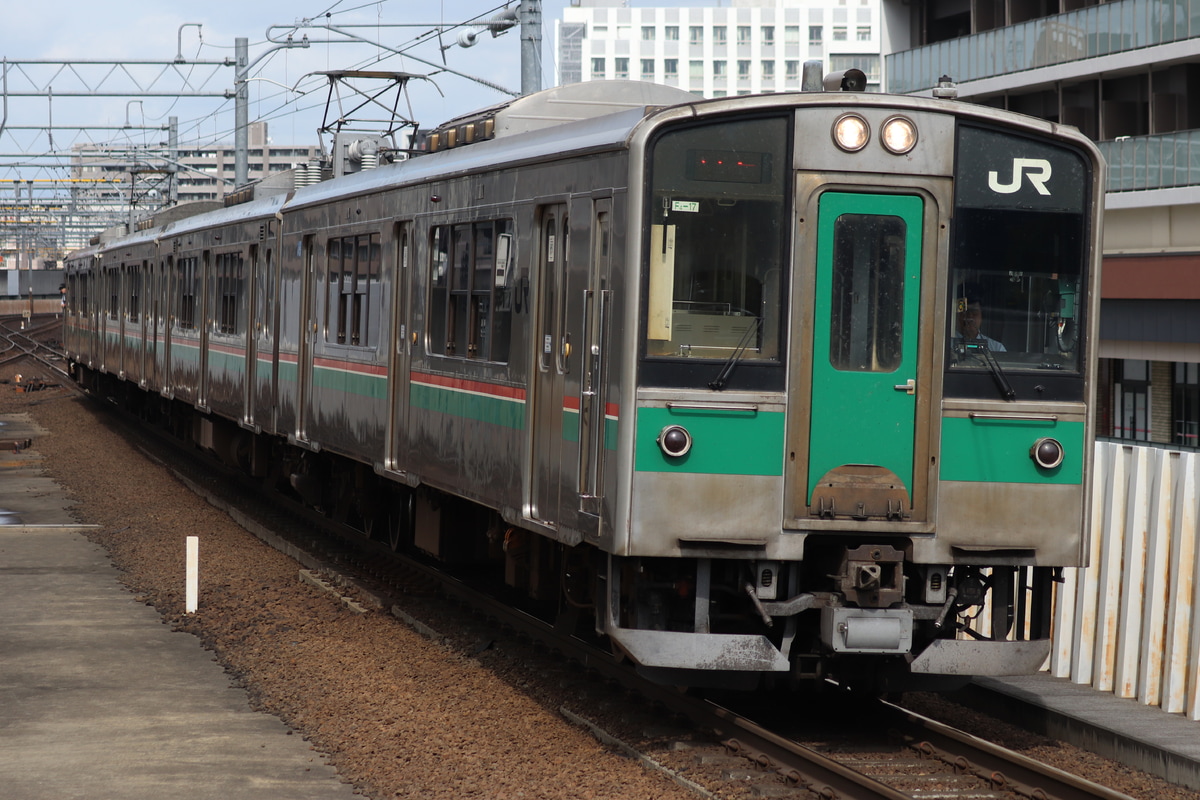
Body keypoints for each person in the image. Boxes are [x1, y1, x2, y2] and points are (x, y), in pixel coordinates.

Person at [954, 284, 1006, 352]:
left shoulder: (996, 348)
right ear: (957, 315)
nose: (970, 316)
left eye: (974, 312)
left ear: (982, 315)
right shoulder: (946, 344)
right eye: (965, 312)